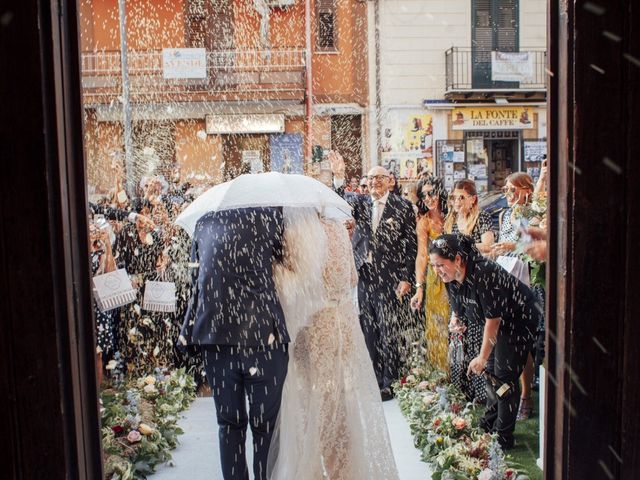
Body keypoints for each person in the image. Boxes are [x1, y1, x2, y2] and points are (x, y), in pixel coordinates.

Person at [267, 209, 399, 480]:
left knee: (310, 399)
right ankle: (344, 468)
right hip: (344, 323)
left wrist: (277, 270)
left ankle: (313, 469)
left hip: (315, 325)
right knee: (339, 398)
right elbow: (352, 278)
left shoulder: (297, 234)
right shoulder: (339, 229)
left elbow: (300, 286)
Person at [179, 207, 289, 480]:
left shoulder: (204, 222)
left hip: (215, 337)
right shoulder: (269, 217)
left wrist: (188, 331)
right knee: (266, 426)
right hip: (262, 337)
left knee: (229, 424)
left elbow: (196, 282)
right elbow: (286, 266)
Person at [429, 234, 539, 449]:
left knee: (504, 378)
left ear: (458, 259)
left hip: (518, 319)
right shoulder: (451, 276)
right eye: (434, 265)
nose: (437, 271)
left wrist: (481, 356)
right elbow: (457, 305)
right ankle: (489, 424)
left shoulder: (484, 273)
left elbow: (493, 321)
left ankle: (503, 438)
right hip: (496, 321)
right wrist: (456, 320)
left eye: (440, 265)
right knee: (491, 373)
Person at [329, 151, 417, 400]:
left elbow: (411, 246)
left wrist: (406, 277)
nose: (375, 182)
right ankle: (374, 379)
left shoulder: (402, 207)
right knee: (368, 329)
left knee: (388, 328)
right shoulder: (361, 203)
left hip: (390, 277)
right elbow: (338, 202)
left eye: (380, 178)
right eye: (371, 178)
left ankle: (390, 380)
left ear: (390, 181)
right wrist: (339, 177)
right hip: (365, 275)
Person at [444, 179, 495, 402]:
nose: (456, 201)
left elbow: (489, 245)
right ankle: (461, 385)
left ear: (473, 199)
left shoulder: (480, 217)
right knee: (458, 330)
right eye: (454, 197)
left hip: (476, 280)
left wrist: (464, 246)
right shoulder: (452, 219)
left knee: (475, 329)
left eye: (461, 197)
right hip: (456, 281)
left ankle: (481, 390)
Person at [410, 176, 449, 372]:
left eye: (431, 193)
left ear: (440, 192)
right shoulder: (423, 223)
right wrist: (419, 288)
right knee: (437, 327)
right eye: (423, 195)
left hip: (459, 277)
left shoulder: (453, 216)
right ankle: (442, 375)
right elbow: (422, 256)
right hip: (436, 280)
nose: (427, 198)